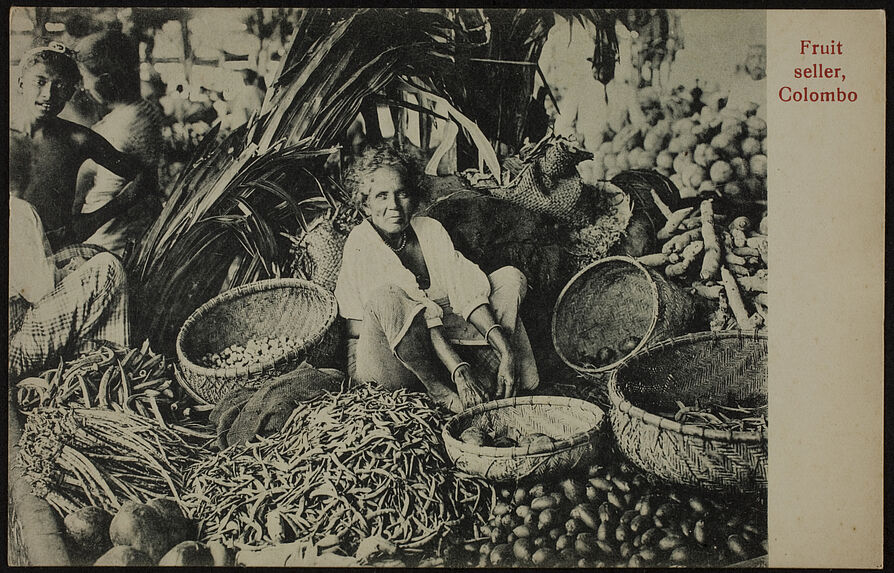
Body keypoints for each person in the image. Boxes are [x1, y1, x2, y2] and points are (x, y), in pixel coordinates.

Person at [335, 145, 539, 413]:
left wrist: (506, 350)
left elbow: (465, 287)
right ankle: (439, 391)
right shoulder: (361, 242)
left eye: (402, 193)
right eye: (381, 196)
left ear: (414, 195)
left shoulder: (429, 229)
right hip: (385, 358)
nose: (393, 206)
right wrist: (459, 370)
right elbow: (420, 311)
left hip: (434, 343)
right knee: (389, 296)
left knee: (508, 279)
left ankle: (499, 370)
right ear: (365, 203)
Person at [10, 41, 147, 251]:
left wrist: (92, 221)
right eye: (40, 81)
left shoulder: (78, 139)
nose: (48, 94)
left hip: (56, 257)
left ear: (70, 93)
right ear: (20, 84)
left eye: (60, 85)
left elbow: (143, 175)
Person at [9, 150, 130, 379]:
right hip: (15, 347)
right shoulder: (16, 210)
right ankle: (106, 369)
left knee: (81, 253)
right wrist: (73, 269)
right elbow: (41, 291)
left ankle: (88, 359)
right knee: (106, 269)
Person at [75, 30, 164, 257]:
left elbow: (134, 185)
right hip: (117, 234)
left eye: (85, 78)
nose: (84, 86)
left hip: (116, 240)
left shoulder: (131, 120)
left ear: (104, 80)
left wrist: (89, 221)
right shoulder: (133, 113)